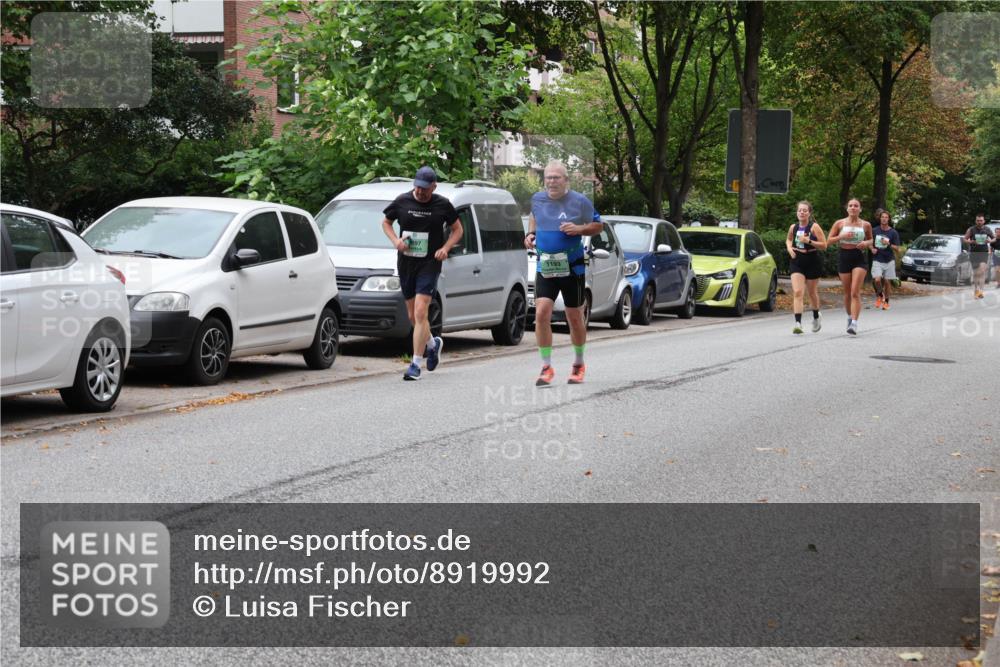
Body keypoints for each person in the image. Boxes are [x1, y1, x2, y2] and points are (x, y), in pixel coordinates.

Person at [525, 160, 603, 386]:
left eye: (556, 177)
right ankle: (546, 367)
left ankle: (578, 363)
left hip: (572, 266)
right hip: (545, 265)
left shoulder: (579, 201)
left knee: (574, 317)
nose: (551, 181)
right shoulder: (538, 199)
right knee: (541, 314)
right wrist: (530, 234)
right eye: (548, 177)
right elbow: (533, 215)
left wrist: (579, 229)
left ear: (566, 180)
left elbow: (598, 225)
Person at [381, 166, 463, 381]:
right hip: (407, 263)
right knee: (412, 316)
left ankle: (416, 364)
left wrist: (445, 248)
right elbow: (386, 223)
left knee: (420, 312)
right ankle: (433, 345)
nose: (420, 191)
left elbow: (458, 230)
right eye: (417, 187)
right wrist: (396, 241)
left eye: (425, 189)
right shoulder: (402, 201)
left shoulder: (442, 205)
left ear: (433, 187)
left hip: (430, 263)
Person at [827, 198, 873, 335]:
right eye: (851, 205)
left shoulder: (866, 225)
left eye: (856, 206)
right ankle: (849, 316)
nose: (853, 208)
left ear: (860, 209)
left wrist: (866, 244)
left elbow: (871, 239)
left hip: (859, 257)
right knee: (847, 293)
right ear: (847, 209)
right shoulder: (839, 223)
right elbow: (828, 241)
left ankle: (854, 323)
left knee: (854, 292)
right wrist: (841, 236)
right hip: (844, 256)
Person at [785, 200, 827, 334]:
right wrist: (790, 249)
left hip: (812, 260)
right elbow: (789, 239)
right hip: (797, 260)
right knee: (797, 292)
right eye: (799, 210)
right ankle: (798, 323)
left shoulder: (814, 227)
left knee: (812, 293)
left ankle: (816, 316)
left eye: (804, 210)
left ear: (809, 213)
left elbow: (824, 245)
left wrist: (808, 241)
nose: (801, 212)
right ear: (797, 212)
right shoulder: (793, 227)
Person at [870, 209, 901, 310]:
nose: (884, 219)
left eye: (886, 217)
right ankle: (880, 294)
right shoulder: (874, 230)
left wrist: (889, 244)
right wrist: (872, 248)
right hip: (877, 259)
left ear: (889, 219)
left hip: (889, 260)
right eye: (882, 217)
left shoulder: (893, 232)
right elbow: (869, 242)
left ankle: (886, 301)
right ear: (880, 218)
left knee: (887, 282)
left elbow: (897, 249)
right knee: (877, 279)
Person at [963, 213, 995, 299]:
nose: (979, 222)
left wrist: (990, 241)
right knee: (976, 273)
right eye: (978, 220)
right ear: (975, 221)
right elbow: (965, 239)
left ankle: (981, 291)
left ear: (984, 221)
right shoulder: (971, 229)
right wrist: (972, 242)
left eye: (981, 220)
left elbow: (994, 238)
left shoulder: (987, 229)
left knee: (982, 271)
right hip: (974, 253)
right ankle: (976, 290)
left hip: (984, 253)